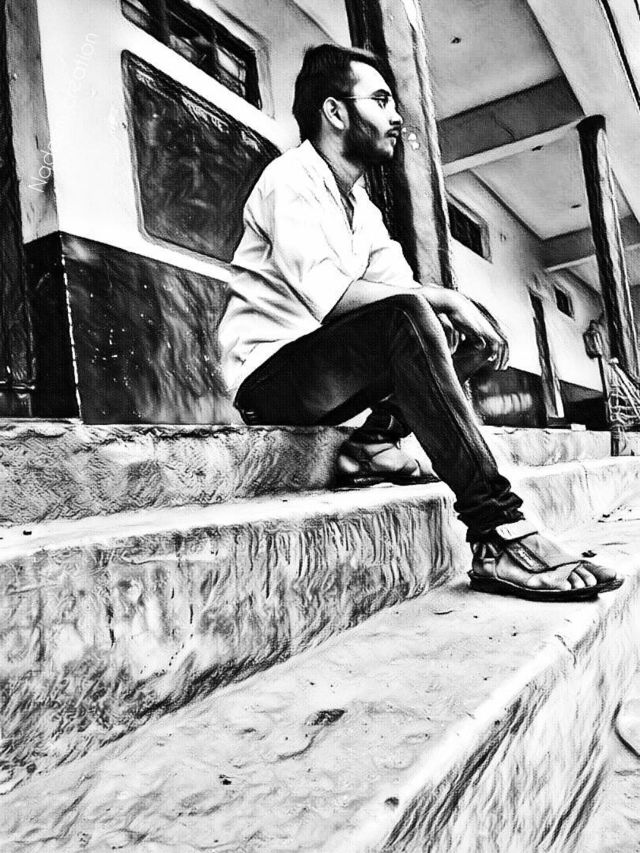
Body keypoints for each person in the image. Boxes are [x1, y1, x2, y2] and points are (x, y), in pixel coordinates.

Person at [218, 43, 621, 601]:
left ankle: (373, 444)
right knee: (415, 316)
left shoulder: (361, 208)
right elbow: (335, 298)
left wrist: (454, 310)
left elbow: (403, 293)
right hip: (270, 381)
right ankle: (498, 530)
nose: (396, 116)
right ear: (335, 112)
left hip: (329, 376)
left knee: (458, 331)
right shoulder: (290, 178)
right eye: (380, 100)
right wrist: (441, 299)